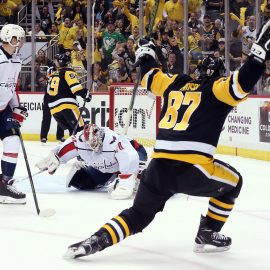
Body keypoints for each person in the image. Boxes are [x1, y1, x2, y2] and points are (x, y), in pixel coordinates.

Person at [64, 20, 270, 259]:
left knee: (138, 215)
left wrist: (146, 52)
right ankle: (208, 231)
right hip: (193, 168)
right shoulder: (217, 88)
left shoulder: (175, 83)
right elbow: (243, 81)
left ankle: (95, 240)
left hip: (158, 167)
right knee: (234, 183)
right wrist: (259, 54)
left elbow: (150, 76)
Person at [35, 123, 148, 200]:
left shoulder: (113, 141)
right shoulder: (81, 141)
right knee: (81, 182)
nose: (93, 146)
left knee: (139, 177)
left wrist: (125, 184)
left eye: (94, 142)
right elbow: (68, 146)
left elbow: (130, 157)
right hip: (108, 165)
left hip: (136, 151)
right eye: (90, 143)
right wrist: (56, 158)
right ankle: (96, 170)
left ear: (100, 135)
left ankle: (142, 177)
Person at [0, 24, 27, 204]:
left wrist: (17, 107)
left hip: (3, 110)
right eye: (20, 38)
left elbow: (11, 87)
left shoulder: (16, 61)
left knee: (13, 139)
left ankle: (4, 183)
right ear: (10, 38)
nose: (22, 42)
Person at [46, 53, 91, 135]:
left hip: (54, 109)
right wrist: (85, 94)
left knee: (72, 131)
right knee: (80, 130)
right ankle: (80, 148)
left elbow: (49, 91)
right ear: (68, 63)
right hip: (67, 106)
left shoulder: (52, 75)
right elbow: (76, 89)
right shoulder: (68, 72)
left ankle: (72, 147)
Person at [40, 62, 65, 144]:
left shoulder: (64, 71)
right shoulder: (51, 69)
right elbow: (47, 78)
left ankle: (60, 136)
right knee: (46, 117)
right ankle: (43, 137)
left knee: (60, 116)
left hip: (59, 95)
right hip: (49, 96)